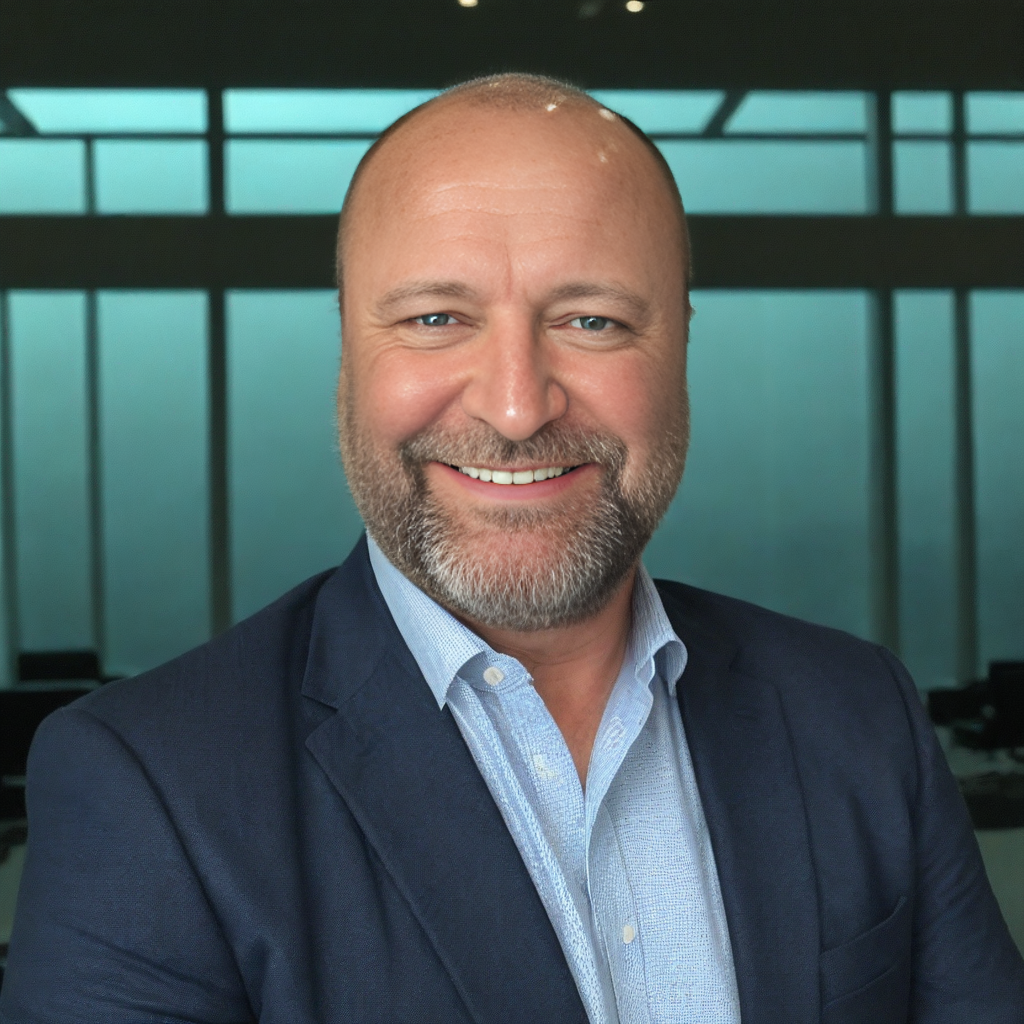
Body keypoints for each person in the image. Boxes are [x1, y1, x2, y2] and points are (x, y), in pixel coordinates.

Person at [1, 74, 1021, 1024]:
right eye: (436, 317)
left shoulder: (857, 714)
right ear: (348, 349)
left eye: (591, 319)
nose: (518, 406)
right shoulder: (148, 784)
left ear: (680, 344)